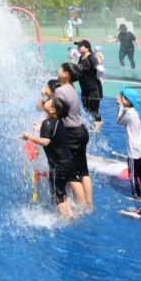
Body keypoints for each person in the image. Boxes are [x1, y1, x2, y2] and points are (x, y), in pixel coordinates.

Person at [21, 97, 83, 218]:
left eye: (49, 100)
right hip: (68, 162)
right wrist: (40, 128)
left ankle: (65, 219)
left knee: (56, 195)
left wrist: (29, 136)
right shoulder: (58, 121)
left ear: (53, 109)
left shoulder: (47, 123)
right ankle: (70, 212)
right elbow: (53, 135)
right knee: (62, 191)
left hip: (59, 166)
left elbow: (45, 142)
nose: (46, 100)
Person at [55, 62, 93, 208]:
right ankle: (89, 204)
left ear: (66, 74)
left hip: (71, 134)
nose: (58, 72)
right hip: (81, 131)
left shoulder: (60, 90)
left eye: (60, 69)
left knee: (71, 174)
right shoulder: (71, 88)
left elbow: (59, 113)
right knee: (83, 170)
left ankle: (82, 208)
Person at [116, 86, 141, 199]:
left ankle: (137, 197)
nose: (119, 98)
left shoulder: (129, 112)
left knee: (132, 175)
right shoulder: (137, 111)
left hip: (134, 150)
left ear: (127, 100)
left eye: (122, 98)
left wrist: (120, 106)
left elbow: (119, 121)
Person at [75, 40, 103, 131]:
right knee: (86, 108)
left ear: (87, 47)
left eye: (80, 46)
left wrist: (98, 77)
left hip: (94, 89)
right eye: (78, 46)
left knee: (94, 110)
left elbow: (101, 69)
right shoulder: (81, 58)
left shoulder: (91, 57)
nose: (78, 48)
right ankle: (97, 122)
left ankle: (97, 129)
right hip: (84, 89)